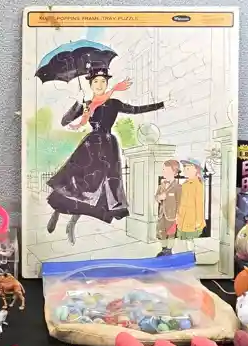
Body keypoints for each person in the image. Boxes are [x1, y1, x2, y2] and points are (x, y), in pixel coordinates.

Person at [46, 66, 172, 245]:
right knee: (74, 182)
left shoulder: (113, 103)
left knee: (94, 188)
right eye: (96, 81)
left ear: (107, 83)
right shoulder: (86, 104)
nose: (99, 85)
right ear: (90, 84)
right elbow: (64, 121)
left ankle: (72, 223)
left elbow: (136, 110)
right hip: (89, 147)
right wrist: (78, 104)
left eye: (103, 81)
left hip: (107, 147)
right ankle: (57, 212)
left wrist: (162, 104)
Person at [155, 160, 181, 256]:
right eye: (163, 170)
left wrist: (178, 215)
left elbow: (180, 202)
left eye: (167, 170)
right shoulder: (161, 186)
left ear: (174, 172)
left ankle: (169, 250)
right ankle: (163, 249)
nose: (164, 172)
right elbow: (156, 197)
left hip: (172, 216)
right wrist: (159, 197)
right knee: (161, 232)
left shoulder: (178, 187)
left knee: (171, 233)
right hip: (162, 214)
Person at [177, 160, 205, 248]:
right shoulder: (184, 184)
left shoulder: (198, 185)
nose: (185, 170)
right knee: (184, 240)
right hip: (183, 218)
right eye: (184, 168)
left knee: (190, 240)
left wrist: (199, 221)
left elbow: (199, 204)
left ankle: (191, 253)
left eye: (188, 168)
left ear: (196, 170)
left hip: (192, 219)